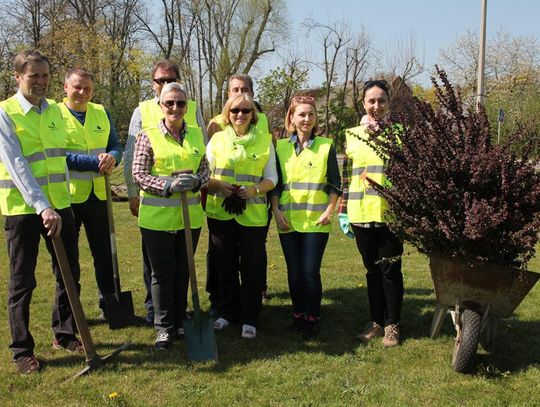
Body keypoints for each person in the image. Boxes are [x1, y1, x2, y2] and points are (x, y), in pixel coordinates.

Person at [0, 50, 83, 374]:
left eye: (45, 75)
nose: (41, 82)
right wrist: (41, 205)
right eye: (34, 75)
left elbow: (60, 158)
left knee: (69, 274)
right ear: (18, 76)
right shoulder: (6, 113)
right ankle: (22, 351)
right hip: (23, 210)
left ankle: (63, 334)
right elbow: (17, 165)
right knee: (22, 281)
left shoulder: (55, 113)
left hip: (61, 205)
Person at [124, 60, 207, 324]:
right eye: (160, 81)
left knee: (182, 270)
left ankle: (178, 316)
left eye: (170, 79)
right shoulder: (142, 113)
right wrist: (135, 192)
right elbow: (133, 163)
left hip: (188, 213)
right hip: (156, 212)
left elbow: (204, 159)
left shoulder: (193, 115)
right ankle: (159, 316)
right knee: (158, 269)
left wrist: (196, 181)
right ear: (154, 88)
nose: (175, 107)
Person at [338, 79, 404, 347]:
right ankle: (376, 322)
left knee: (390, 270)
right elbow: (345, 178)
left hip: (390, 215)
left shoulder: (401, 134)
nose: (376, 105)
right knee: (372, 271)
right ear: (363, 104)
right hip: (360, 213)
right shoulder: (352, 135)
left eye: (381, 100)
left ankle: (393, 325)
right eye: (371, 101)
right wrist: (343, 212)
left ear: (389, 103)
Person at [206, 93, 276, 339]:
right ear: (227, 113)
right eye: (235, 110)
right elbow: (204, 173)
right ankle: (227, 312)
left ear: (253, 115)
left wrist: (254, 190)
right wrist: (219, 186)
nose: (240, 115)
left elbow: (272, 178)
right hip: (221, 212)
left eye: (246, 111)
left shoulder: (265, 141)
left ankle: (250, 317)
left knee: (252, 267)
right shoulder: (216, 140)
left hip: (253, 214)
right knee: (224, 265)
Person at [270, 95, 341, 339]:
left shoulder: (326, 146)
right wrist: (276, 210)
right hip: (287, 219)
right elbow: (276, 185)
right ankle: (298, 314)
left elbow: (335, 184)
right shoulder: (280, 147)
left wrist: (329, 211)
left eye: (311, 114)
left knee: (310, 271)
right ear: (291, 118)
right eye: (301, 114)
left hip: (316, 220)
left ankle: (313, 316)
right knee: (294, 271)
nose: (307, 119)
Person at [58, 68, 123, 320]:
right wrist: (94, 162)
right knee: (68, 261)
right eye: (77, 87)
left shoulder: (101, 112)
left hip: (99, 195)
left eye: (87, 88)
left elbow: (116, 146)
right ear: (66, 87)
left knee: (105, 256)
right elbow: (59, 154)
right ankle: (70, 316)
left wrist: (113, 157)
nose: (82, 92)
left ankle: (110, 308)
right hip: (69, 197)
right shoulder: (55, 113)